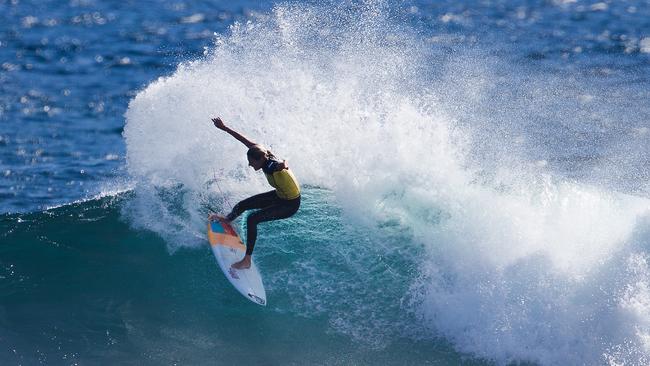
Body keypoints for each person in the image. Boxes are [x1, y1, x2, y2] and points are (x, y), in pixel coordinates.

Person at [209, 116, 301, 270]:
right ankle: (228, 219)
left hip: (290, 204)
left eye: (251, 162)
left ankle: (247, 260)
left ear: (259, 160)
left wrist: (283, 165)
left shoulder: (272, 165)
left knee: (252, 219)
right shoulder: (261, 151)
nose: (250, 164)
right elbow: (243, 140)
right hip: (280, 195)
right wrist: (224, 128)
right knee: (243, 205)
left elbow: (280, 166)